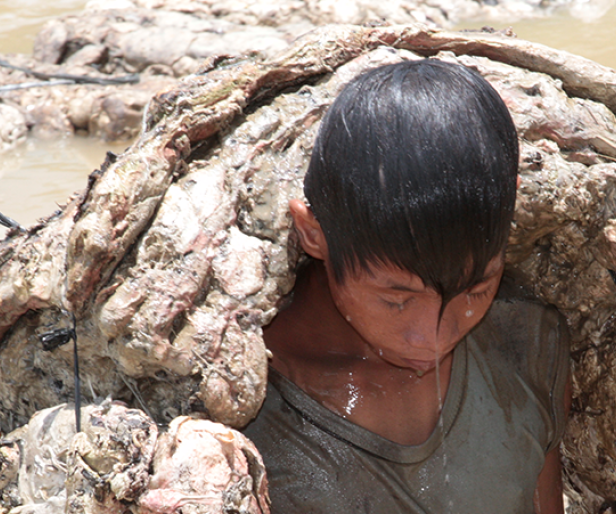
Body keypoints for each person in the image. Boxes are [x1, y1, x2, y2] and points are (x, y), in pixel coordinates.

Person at [242, 58, 571, 514]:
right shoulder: (246, 403)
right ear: (313, 231)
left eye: (475, 292)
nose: (433, 340)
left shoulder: (526, 344)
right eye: (396, 300)